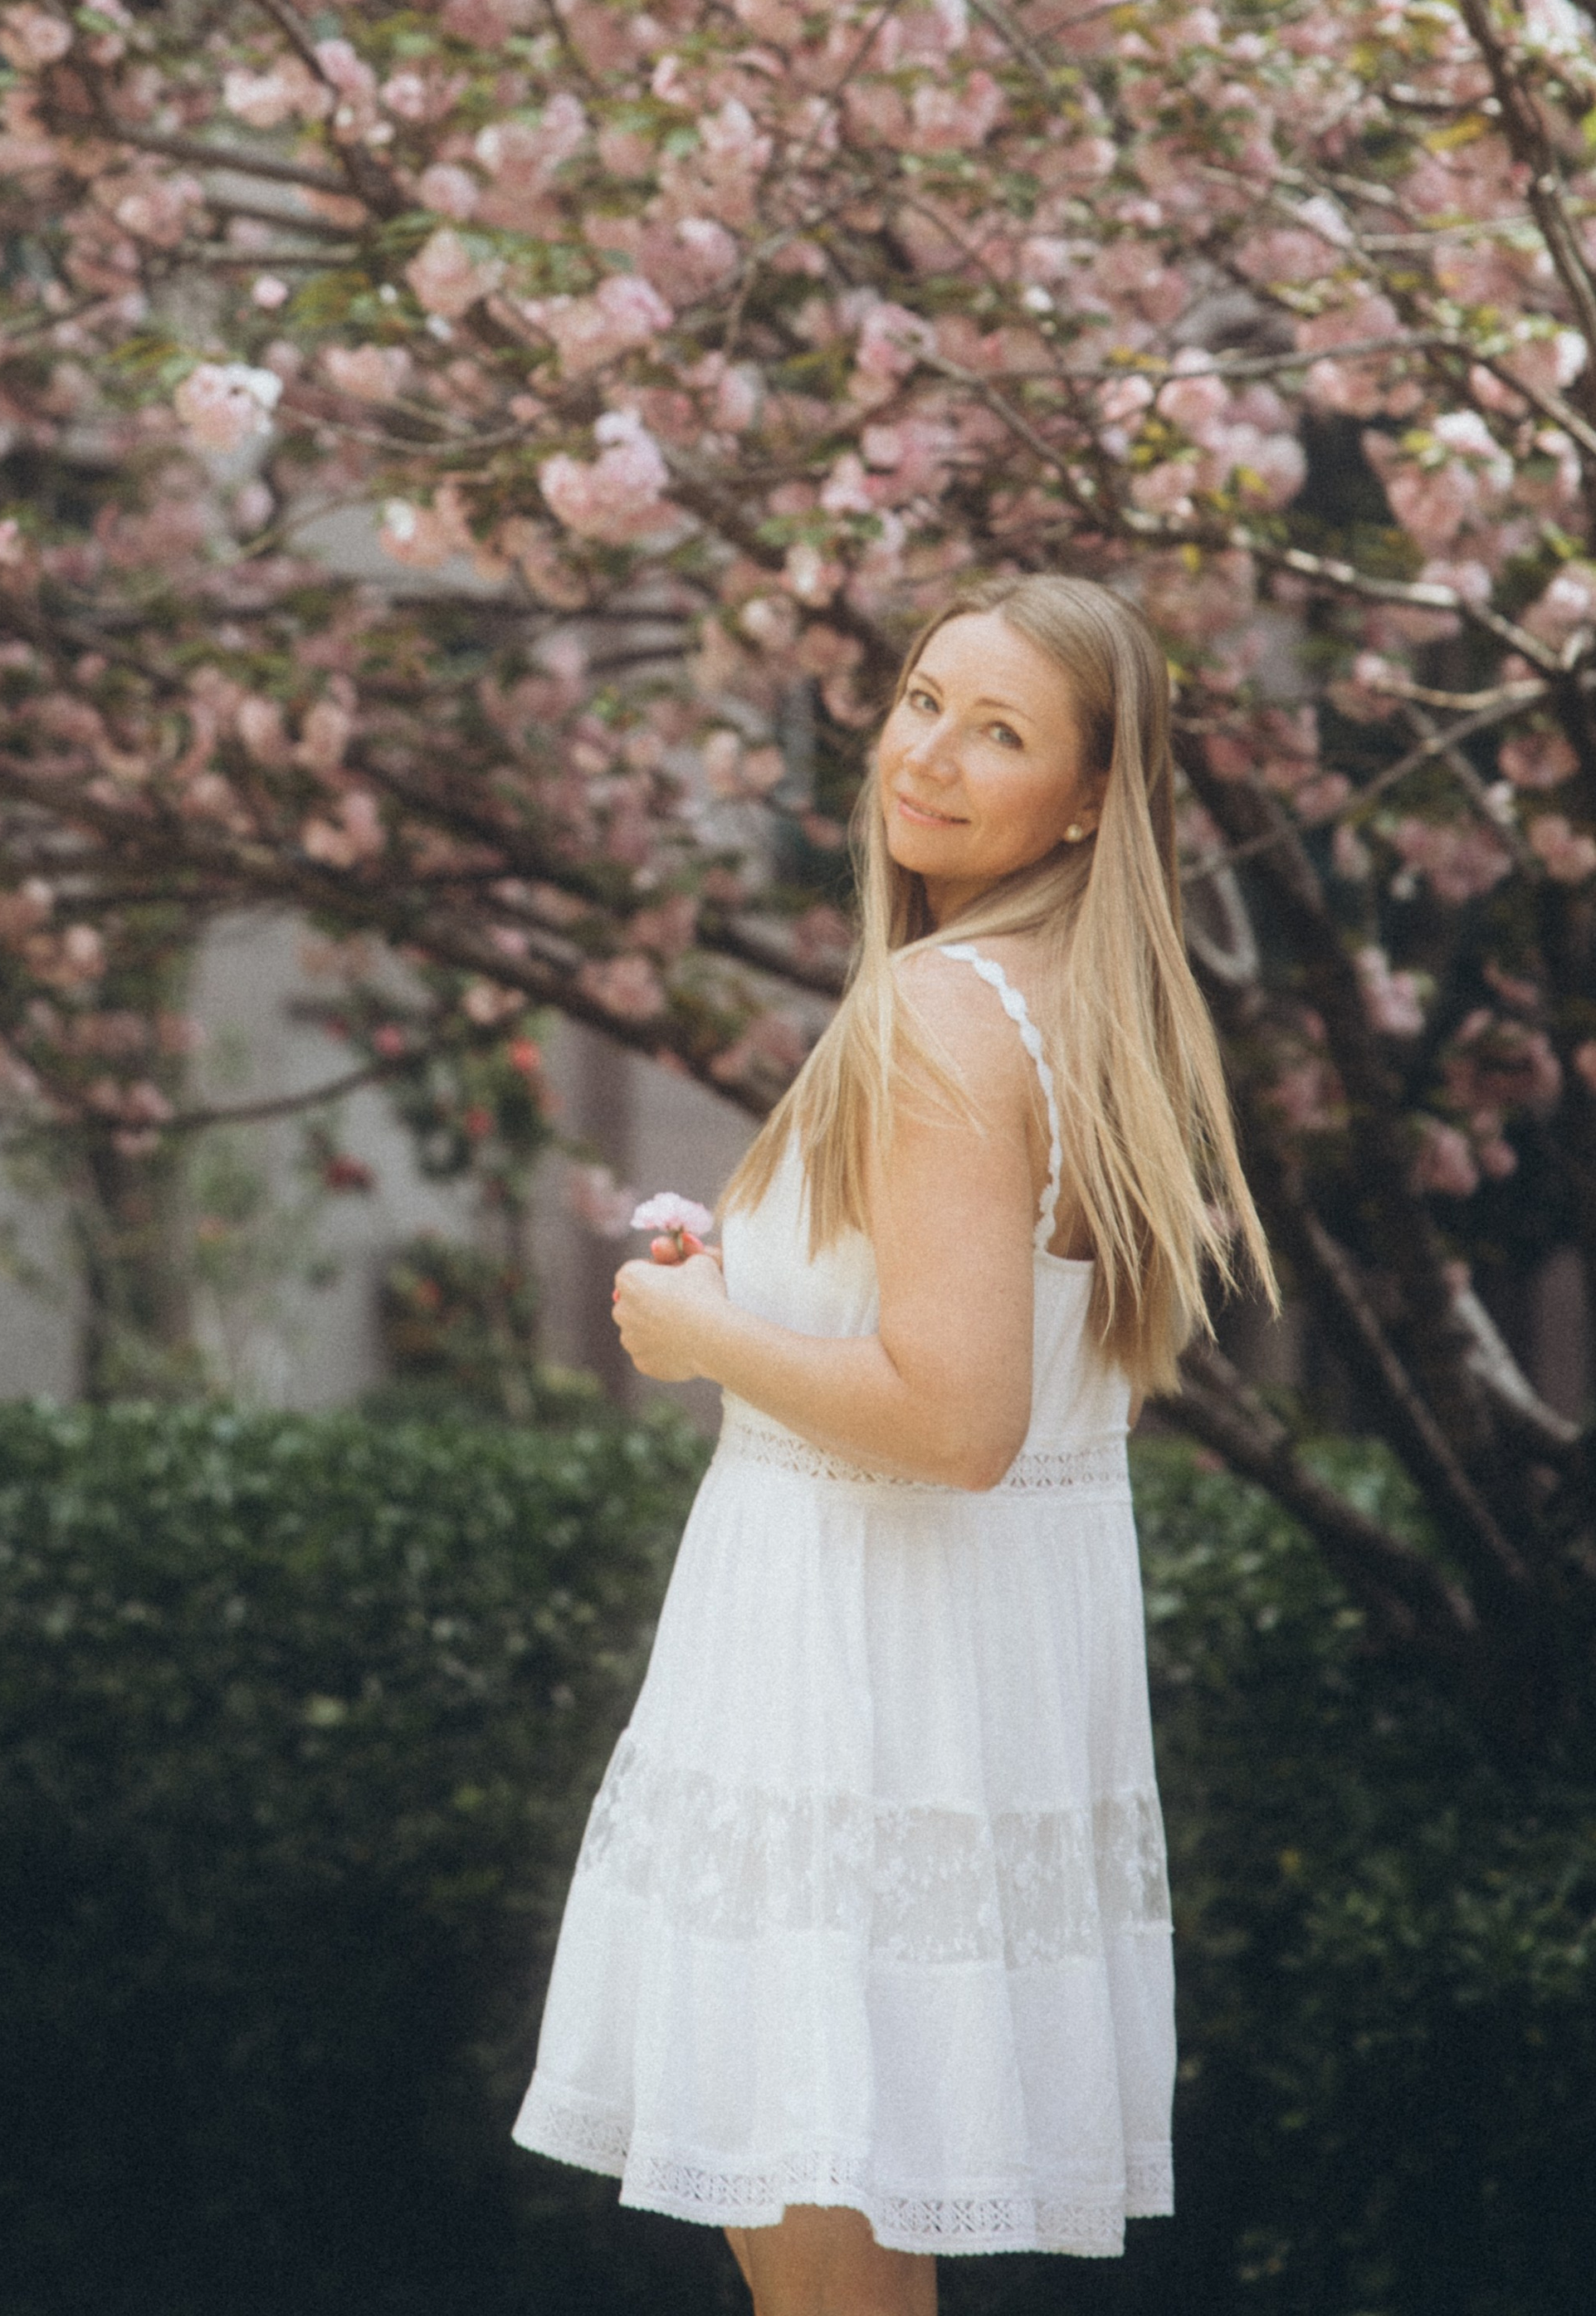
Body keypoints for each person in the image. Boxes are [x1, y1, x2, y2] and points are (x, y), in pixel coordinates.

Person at [513, 574, 1275, 2316]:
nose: (924, 751)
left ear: (1088, 796)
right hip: (928, 1671)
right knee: (831, 2258)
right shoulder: (1064, 1001)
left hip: (851, 1686)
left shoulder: (941, 1010)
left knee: (824, 2267)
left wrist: (702, 1333)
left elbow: (956, 1418)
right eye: (923, 697)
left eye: (995, 730)